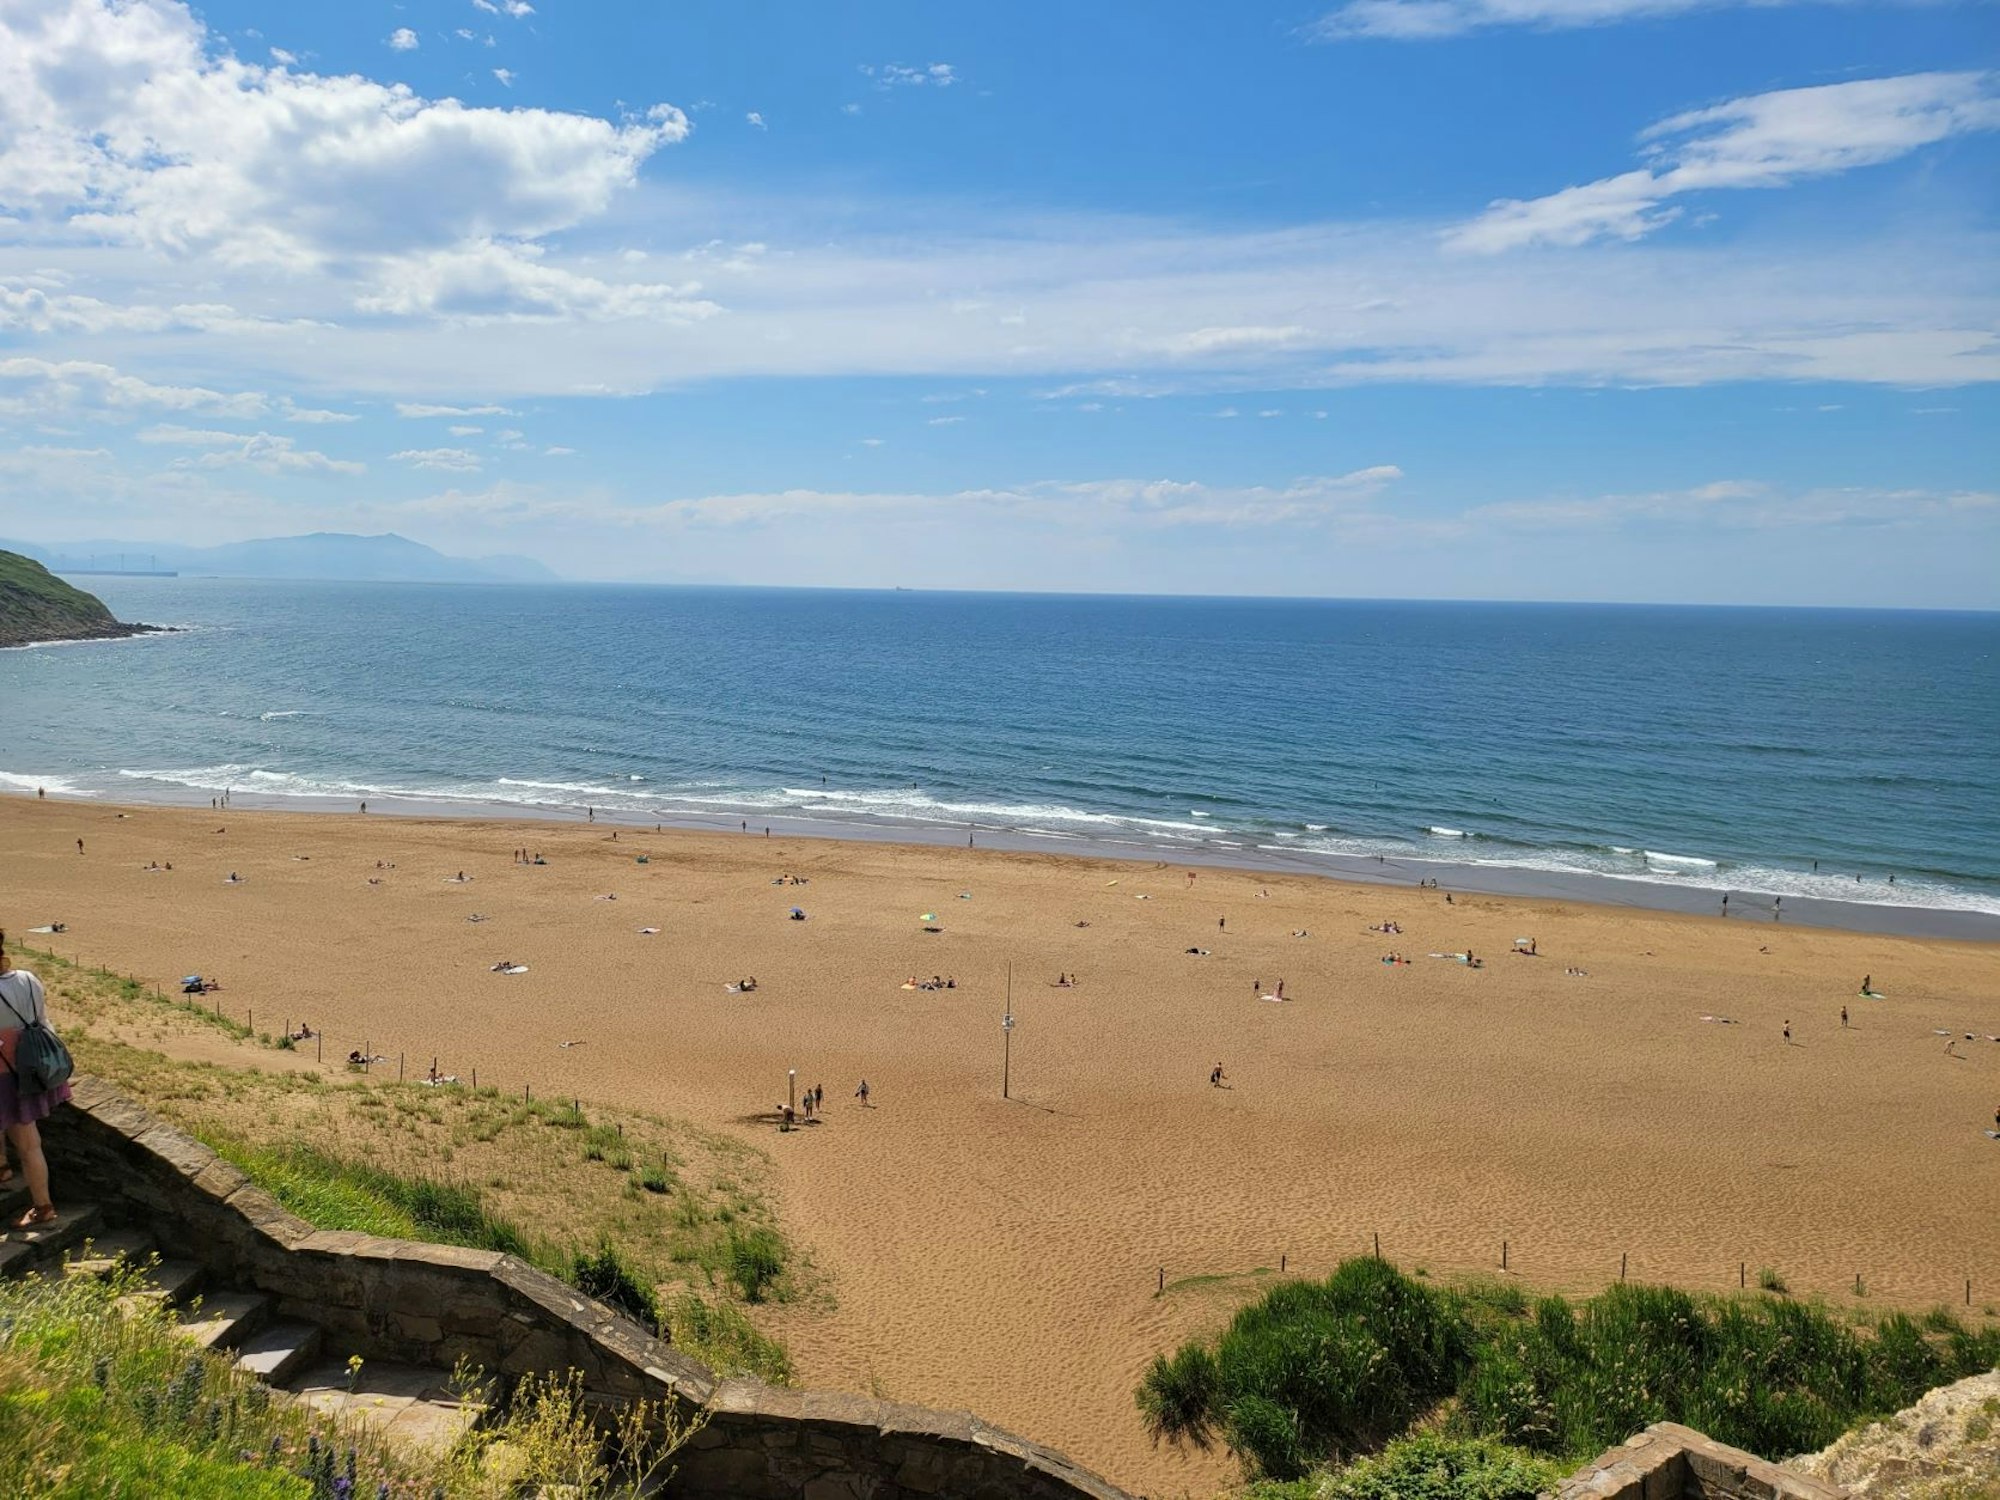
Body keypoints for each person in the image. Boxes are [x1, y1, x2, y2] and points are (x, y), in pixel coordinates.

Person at [0, 930, 69, 1227]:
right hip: (30, 1068)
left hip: (4, 1075)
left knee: (28, 1144)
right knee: (30, 1143)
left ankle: (43, 1207)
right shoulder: (28, 979)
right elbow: (43, 1021)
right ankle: (5, 1171)